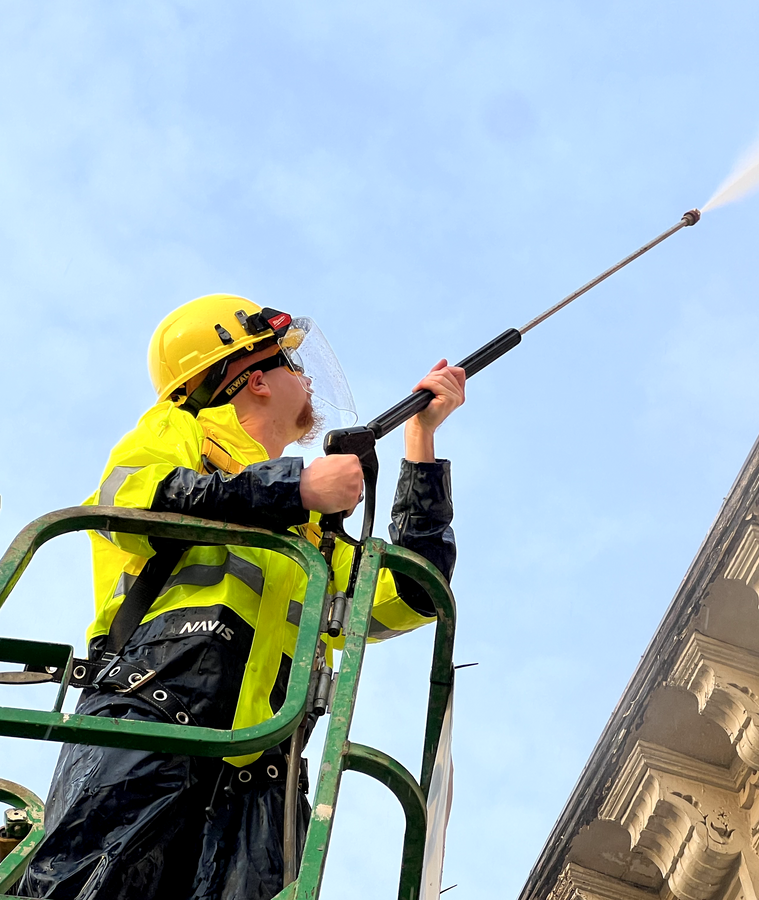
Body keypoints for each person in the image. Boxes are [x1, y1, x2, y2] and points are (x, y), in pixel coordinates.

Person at [17, 294, 466, 900]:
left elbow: (411, 595)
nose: (305, 380)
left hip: (265, 776)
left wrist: (421, 444)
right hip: (150, 719)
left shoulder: (310, 534)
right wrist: (294, 488)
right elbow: (129, 504)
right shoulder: (182, 433)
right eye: (291, 364)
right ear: (255, 379)